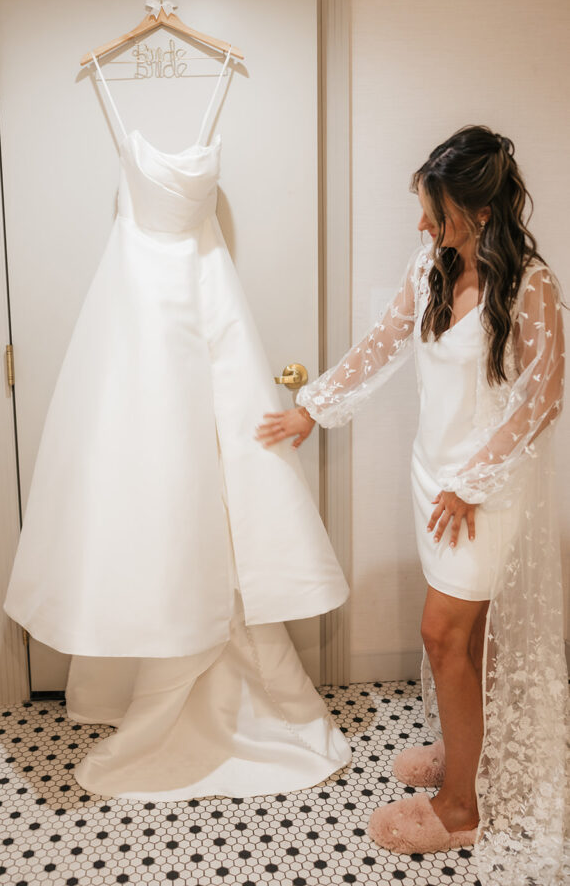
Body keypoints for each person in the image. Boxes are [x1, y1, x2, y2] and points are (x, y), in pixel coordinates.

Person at [256, 126, 568, 884]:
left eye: (435, 211)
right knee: (465, 638)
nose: (422, 224)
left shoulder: (529, 284)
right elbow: (381, 341)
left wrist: (473, 483)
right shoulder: (433, 265)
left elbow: (541, 398)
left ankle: (461, 809)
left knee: (441, 637)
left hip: (481, 493)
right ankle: (467, 755)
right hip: (434, 480)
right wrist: (313, 407)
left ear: (480, 210)